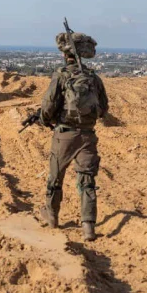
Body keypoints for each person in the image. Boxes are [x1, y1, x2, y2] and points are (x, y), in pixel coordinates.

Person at [36, 30, 109, 242]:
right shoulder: (93, 78)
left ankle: (52, 216)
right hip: (88, 136)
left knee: (55, 178)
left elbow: (48, 106)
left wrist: (44, 119)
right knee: (87, 181)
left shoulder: (61, 75)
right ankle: (88, 227)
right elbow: (103, 108)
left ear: (64, 55)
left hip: (64, 135)